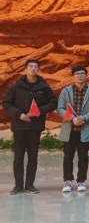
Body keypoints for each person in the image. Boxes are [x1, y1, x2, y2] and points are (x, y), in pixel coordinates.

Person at [3, 60, 57, 195]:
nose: (33, 69)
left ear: (38, 69)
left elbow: (53, 102)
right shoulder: (16, 86)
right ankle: (18, 185)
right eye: (30, 66)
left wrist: (39, 111)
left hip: (35, 126)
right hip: (20, 126)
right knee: (18, 157)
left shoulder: (43, 87)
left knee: (33, 157)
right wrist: (19, 114)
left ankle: (29, 185)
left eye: (36, 67)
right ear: (25, 69)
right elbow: (6, 103)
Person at [56, 65, 89, 194]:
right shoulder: (66, 91)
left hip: (85, 129)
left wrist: (84, 118)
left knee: (83, 156)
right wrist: (72, 118)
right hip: (70, 129)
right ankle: (67, 181)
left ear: (86, 75)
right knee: (68, 156)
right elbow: (60, 108)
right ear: (73, 76)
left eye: (82, 73)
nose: (80, 76)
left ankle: (81, 181)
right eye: (77, 74)